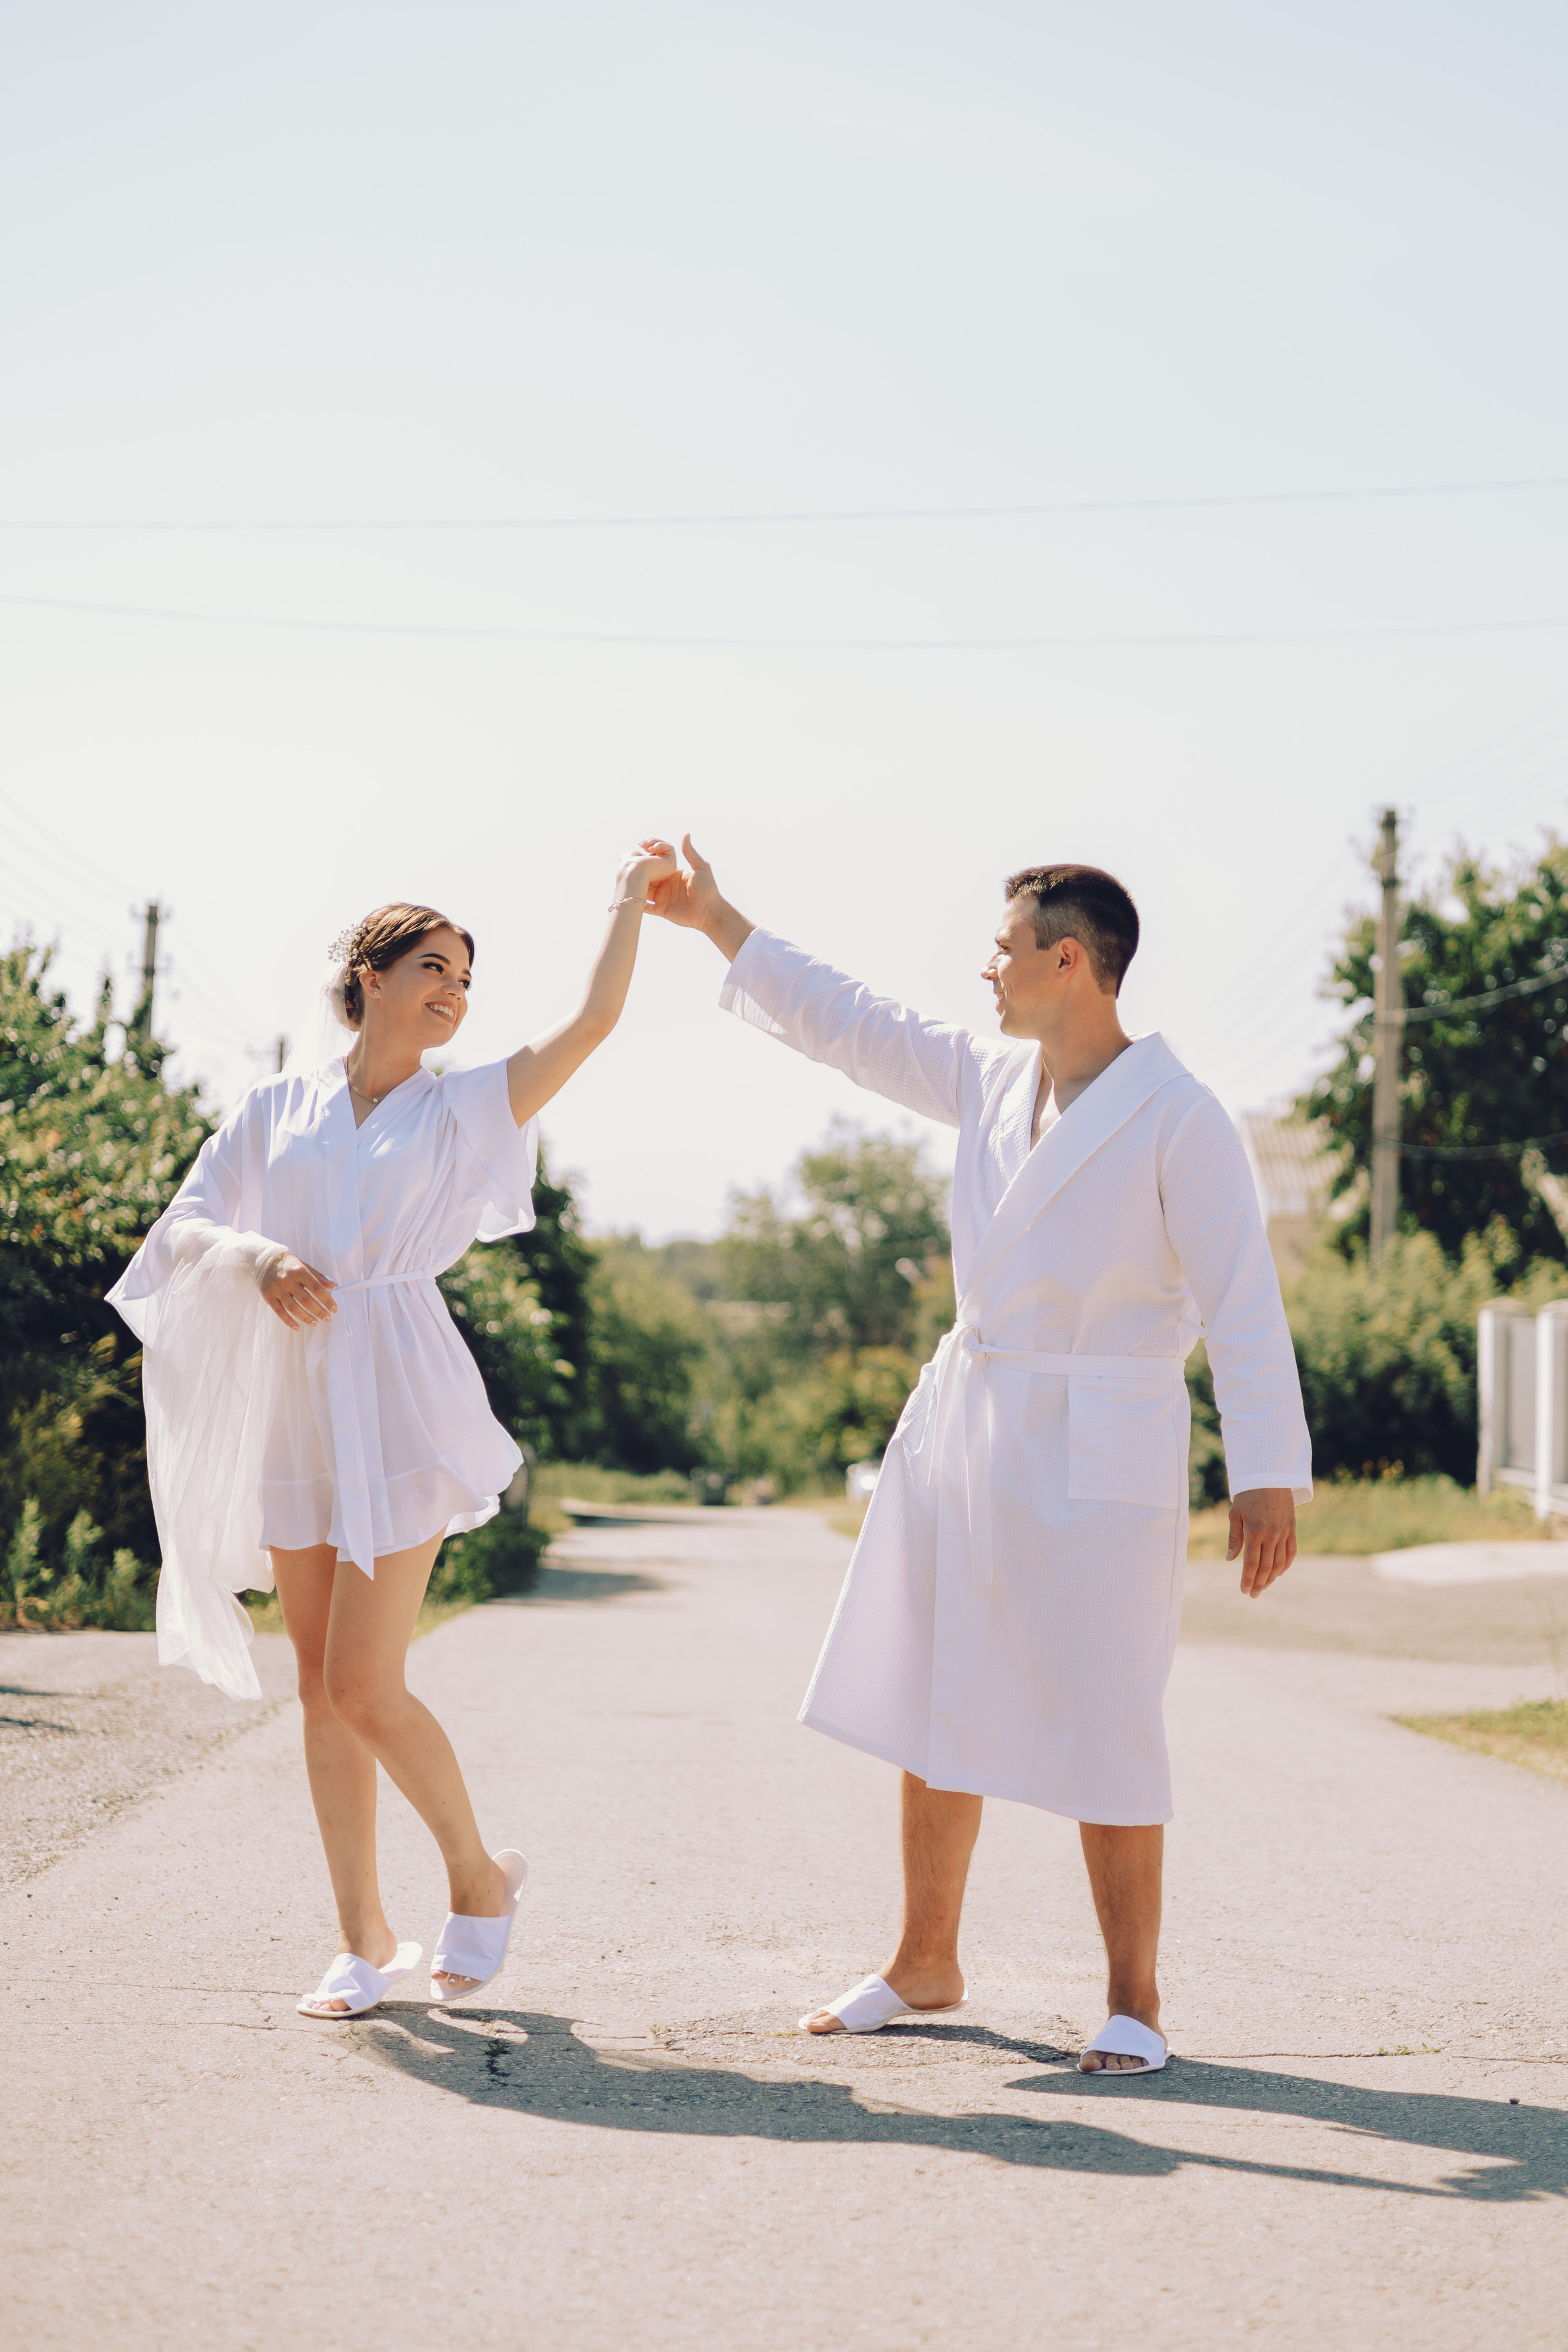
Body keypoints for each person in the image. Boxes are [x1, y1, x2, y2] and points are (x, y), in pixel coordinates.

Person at [650, 840, 1310, 2075]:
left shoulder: (1180, 1116)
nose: (985, 966)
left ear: (1070, 961)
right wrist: (715, 919)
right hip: (972, 1421)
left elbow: (1241, 1300)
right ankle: (924, 1960)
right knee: (938, 1684)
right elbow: (848, 1021)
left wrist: (1263, 1470)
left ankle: (1132, 2001)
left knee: (1106, 1709)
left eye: (1004, 945)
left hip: (1103, 1436)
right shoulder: (987, 1081)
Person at [109, 843, 677, 2019]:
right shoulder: (280, 1107)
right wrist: (257, 1256)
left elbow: (595, 1021)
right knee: (316, 1692)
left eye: (464, 978)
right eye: (431, 966)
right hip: (299, 1401)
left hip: (404, 1397)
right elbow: (185, 1227)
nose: (453, 992)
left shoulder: (464, 1105)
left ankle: (478, 1879)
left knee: (366, 1683)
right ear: (367, 976)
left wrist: (627, 902)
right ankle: (362, 1941)